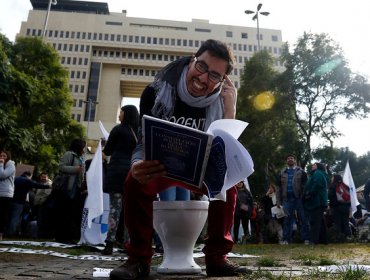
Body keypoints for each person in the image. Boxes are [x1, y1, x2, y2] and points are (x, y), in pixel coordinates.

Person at [109, 39, 252, 280]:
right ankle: (138, 260)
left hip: (198, 172)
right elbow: (142, 142)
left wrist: (231, 112)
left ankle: (217, 259)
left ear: (224, 81)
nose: (204, 79)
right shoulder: (156, 91)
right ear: (192, 60)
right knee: (133, 181)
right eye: (202, 67)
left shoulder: (221, 101)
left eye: (215, 76)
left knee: (226, 184)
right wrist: (136, 165)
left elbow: (227, 155)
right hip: (160, 167)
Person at [101, 105, 139, 255]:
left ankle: (109, 243)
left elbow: (108, 150)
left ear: (126, 114)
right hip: (132, 173)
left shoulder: (118, 129)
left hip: (117, 173)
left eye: (121, 111)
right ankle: (128, 243)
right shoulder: (139, 131)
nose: (119, 114)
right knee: (130, 211)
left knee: (115, 210)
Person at [54, 138, 86, 244]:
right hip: (67, 188)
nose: (85, 149)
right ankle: (61, 236)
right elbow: (61, 167)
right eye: (84, 146)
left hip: (76, 189)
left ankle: (68, 236)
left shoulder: (81, 158)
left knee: (71, 213)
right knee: (64, 212)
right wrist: (75, 169)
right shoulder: (69, 154)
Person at [276, 154, 309, 244]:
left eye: (292, 158)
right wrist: (278, 201)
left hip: (299, 199)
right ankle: (286, 239)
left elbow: (306, 185)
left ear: (295, 160)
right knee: (287, 220)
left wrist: (304, 196)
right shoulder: (282, 172)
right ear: (286, 161)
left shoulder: (301, 171)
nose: (290, 159)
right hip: (286, 199)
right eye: (288, 158)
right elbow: (278, 188)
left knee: (303, 219)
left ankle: (306, 239)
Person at [6, 171, 51, 237]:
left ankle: (5, 232)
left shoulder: (15, 178)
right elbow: (36, 185)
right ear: (30, 176)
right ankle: (11, 233)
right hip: (19, 202)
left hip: (10, 200)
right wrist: (48, 186)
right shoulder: (27, 180)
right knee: (15, 218)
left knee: (8, 217)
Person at [303, 162, 329, 245]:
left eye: (314, 165)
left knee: (315, 221)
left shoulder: (317, 173)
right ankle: (323, 240)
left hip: (317, 200)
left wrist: (309, 193)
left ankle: (314, 240)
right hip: (320, 200)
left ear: (318, 167)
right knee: (320, 221)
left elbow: (316, 185)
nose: (312, 166)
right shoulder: (321, 173)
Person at [328, 174, 351, 242]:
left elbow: (329, 196)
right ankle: (348, 237)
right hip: (346, 207)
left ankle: (339, 238)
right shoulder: (346, 186)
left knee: (338, 224)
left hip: (336, 208)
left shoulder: (333, 186)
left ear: (334, 179)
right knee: (346, 223)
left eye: (332, 177)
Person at [0, 150, 16, 240]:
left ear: (8, 157)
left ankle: (1, 234)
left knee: (2, 215)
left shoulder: (11, 165)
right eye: (1, 156)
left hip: (6, 193)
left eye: (4, 156)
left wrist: (1, 164)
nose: (2, 158)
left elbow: (2, 175)